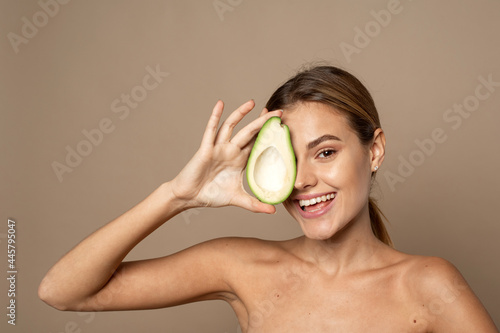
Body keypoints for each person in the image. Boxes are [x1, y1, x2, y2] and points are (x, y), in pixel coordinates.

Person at [39, 66, 498, 332]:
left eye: (326, 152)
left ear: (373, 150)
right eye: (290, 162)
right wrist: (177, 196)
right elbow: (64, 292)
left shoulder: (429, 284)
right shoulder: (240, 266)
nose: (305, 181)